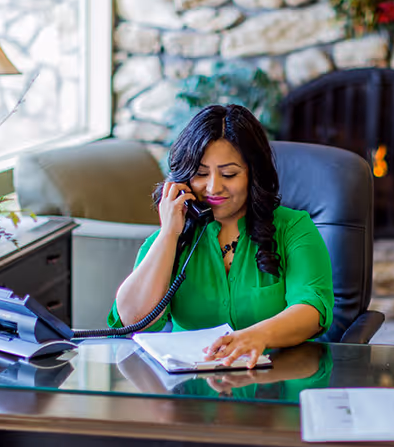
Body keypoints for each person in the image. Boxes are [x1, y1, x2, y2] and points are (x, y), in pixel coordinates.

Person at [107, 104, 334, 368]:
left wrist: (254, 337)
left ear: (253, 174)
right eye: (201, 174)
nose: (213, 187)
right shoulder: (171, 238)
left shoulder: (293, 228)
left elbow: (312, 309)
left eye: (229, 174)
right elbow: (132, 320)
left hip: (274, 381)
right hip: (191, 388)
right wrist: (169, 234)